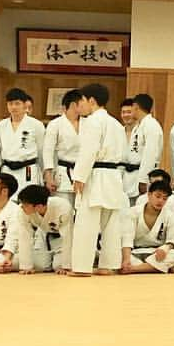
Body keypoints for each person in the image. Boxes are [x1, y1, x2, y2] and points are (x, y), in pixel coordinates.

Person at [70, 83, 128, 277]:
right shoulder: (116, 124)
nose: (81, 106)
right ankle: (108, 265)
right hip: (113, 175)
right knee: (111, 222)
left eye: (82, 101)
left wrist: (79, 176)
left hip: (96, 174)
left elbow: (89, 151)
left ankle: (82, 267)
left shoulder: (94, 121)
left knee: (87, 221)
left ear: (91, 101)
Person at [2, 184, 73, 274]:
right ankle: (49, 260)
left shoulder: (63, 207)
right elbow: (24, 236)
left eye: (25, 205)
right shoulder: (22, 211)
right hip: (42, 236)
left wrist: (66, 266)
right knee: (40, 265)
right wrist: (26, 266)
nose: (21, 207)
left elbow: (68, 236)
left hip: (61, 239)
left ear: (38, 206)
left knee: (58, 266)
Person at [120, 180, 174, 274]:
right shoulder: (133, 212)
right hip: (135, 253)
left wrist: (165, 248)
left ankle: (134, 269)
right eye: (157, 196)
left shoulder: (170, 215)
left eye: (164, 198)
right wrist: (126, 259)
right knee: (117, 254)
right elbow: (127, 238)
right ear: (149, 195)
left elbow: (172, 240)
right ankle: (155, 268)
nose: (160, 201)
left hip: (157, 253)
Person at [0, 88, 45, 190]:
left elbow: (42, 151)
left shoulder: (36, 125)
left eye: (17, 103)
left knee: (28, 200)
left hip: (28, 169)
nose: (13, 107)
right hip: (7, 170)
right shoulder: (1, 125)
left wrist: (45, 173)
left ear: (25, 105)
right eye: (10, 103)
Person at [42, 90, 82, 202]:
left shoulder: (87, 123)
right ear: (70, 106)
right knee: (63, 210)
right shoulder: (55, 124)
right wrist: (49, 177)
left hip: (83, 173)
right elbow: (48, 151)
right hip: (63, 172)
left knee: (81, 213)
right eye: (80, 104)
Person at [132, 94, 164, 195]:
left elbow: (150, 154)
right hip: (132, 174)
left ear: (136, 106)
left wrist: (143, 179)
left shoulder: (151, 126)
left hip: (144, 176)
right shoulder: (138, 126)